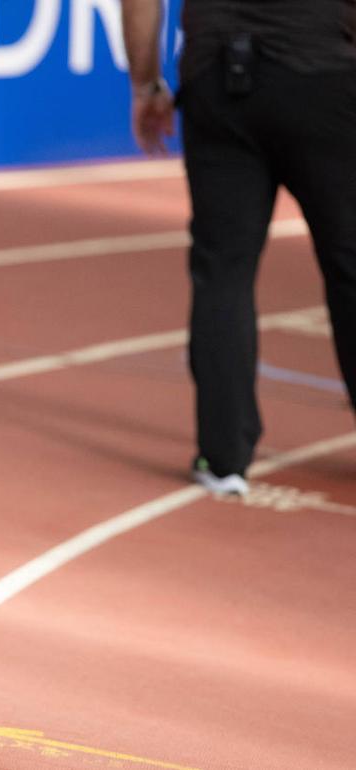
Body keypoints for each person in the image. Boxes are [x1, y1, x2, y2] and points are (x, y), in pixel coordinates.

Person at [123, 0, 356, 495]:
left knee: (223, 268)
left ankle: (223, 458)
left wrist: (145, 84)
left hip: (219, 78)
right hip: (322, 74)